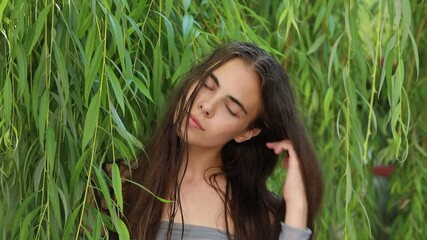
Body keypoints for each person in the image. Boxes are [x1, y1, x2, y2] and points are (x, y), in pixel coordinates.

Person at [109, 41, 323, 240]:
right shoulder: (118, 184)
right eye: (208, 85)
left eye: (230, 109)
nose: (207, 106)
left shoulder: (259, 217)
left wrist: (297, 206)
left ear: (246, 132)